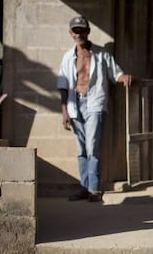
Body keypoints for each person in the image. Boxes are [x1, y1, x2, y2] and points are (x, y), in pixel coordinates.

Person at [57, 16, 133, 202]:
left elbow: (116, 73)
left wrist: (125, 78)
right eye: (75, 30)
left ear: (88, 31)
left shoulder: (101, 55)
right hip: (75, 106)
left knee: (92, 147)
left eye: (82, 30)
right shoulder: (68, 57)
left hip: (95, 104)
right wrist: (65, 111)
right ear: (70, 33)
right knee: (81, 150)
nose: (79, 34)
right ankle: (84, 188)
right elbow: (63, 85)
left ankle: (94, 189)